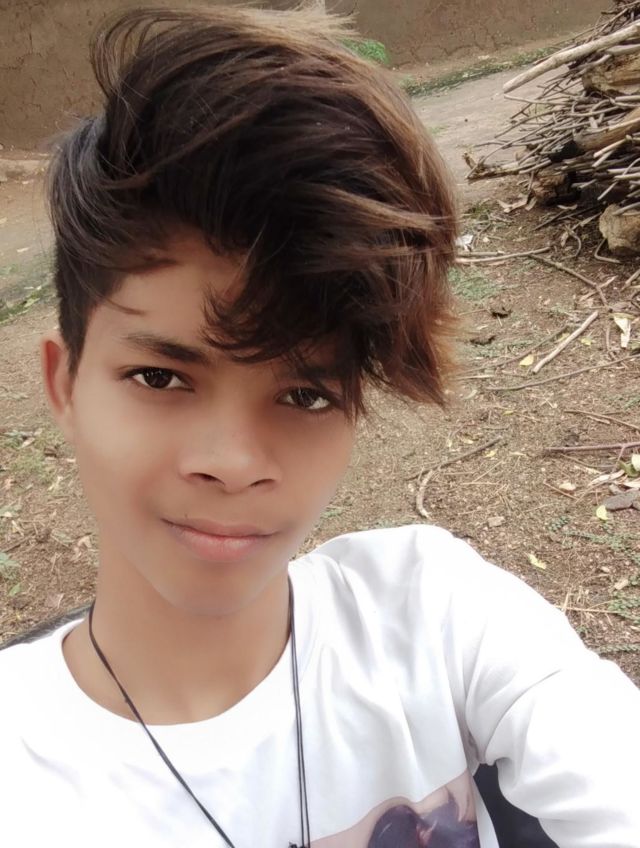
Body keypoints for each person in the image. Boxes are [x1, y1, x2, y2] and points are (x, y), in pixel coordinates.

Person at [1, 6, 638, 847]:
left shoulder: (434, 616)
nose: (234, 463)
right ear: (64, 383)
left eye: (305, 395)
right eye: (160, 377)